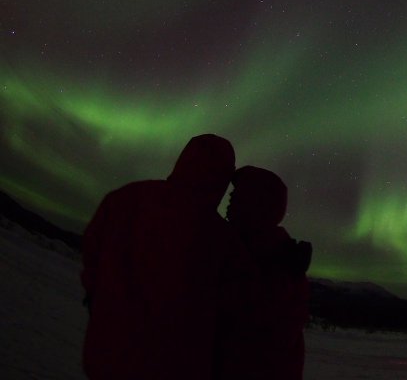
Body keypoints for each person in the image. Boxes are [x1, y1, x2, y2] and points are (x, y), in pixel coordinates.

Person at [81, 134, 242, 380]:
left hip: (107, 354)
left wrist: (99, 301)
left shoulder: (127, 198)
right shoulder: (222, 238)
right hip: (175, 368)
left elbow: (93, 255)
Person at [216, 166, 312, 380]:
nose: (230, 197)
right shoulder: (260, 252)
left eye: (238, 193)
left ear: (256, 203)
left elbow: (255, 335)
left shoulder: (275, 264)